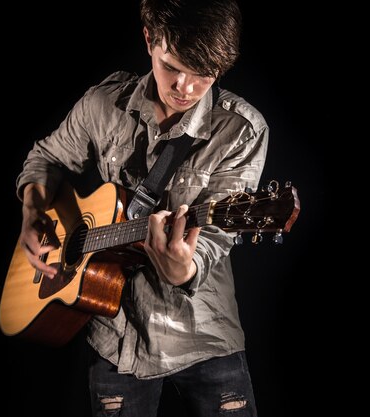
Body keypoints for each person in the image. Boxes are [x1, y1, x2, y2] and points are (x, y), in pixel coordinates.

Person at [16, 0, 267, 415]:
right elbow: (45, 158)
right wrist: (32, 213)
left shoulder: (241, 130)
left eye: (202, 76)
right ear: (149, 38)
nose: (184, 87)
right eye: (172, 67)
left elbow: (218, 235)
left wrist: (183, 268)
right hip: (115, 336)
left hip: (204, 332)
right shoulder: (103, 104)